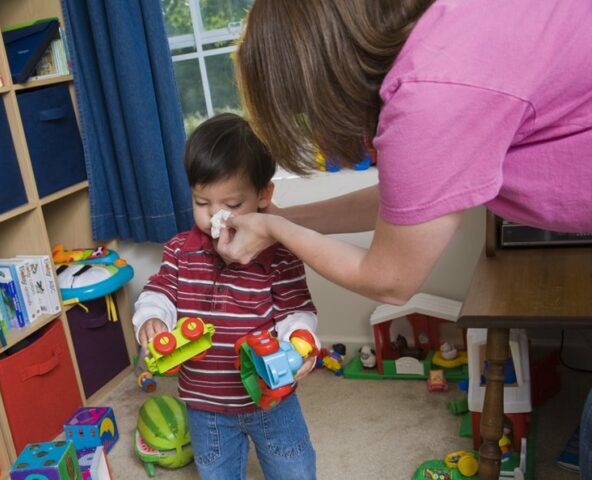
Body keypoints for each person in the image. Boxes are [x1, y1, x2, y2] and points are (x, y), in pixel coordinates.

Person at [215, 0, 592, 477]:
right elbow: (407, 201)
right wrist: (283, 218)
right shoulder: (440, 48)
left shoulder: (430, 91)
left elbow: (391, 280)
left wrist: (274, 229)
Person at [133, 113, 320, 480]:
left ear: (264, 195)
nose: (216, 216)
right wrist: (153, 317)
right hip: (205, 404)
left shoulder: (280, 255)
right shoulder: (179, 251)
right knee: (215, 470)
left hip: (271, 400)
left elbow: (296, 309)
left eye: (232, 205)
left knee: (293, 465)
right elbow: (160, 291)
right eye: (203, 203)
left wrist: (301, 338)